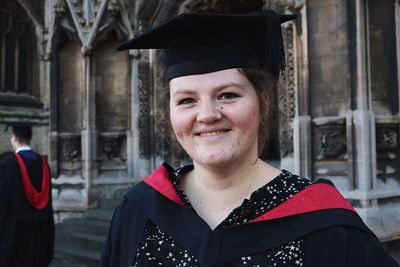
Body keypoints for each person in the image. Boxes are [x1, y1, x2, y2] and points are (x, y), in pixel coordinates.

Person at [100, 10, 399, 266]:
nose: (207, 115)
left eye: (227, 95)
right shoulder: (137, 213)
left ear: (264, 102)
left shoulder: (326, 225)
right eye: (186, 100)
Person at [0, 123, 54, 267]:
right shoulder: (43, 163)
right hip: (39, 234)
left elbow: (3, 202)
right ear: (29, 138)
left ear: (14, 138)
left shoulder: (8, 164)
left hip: (16, 234)